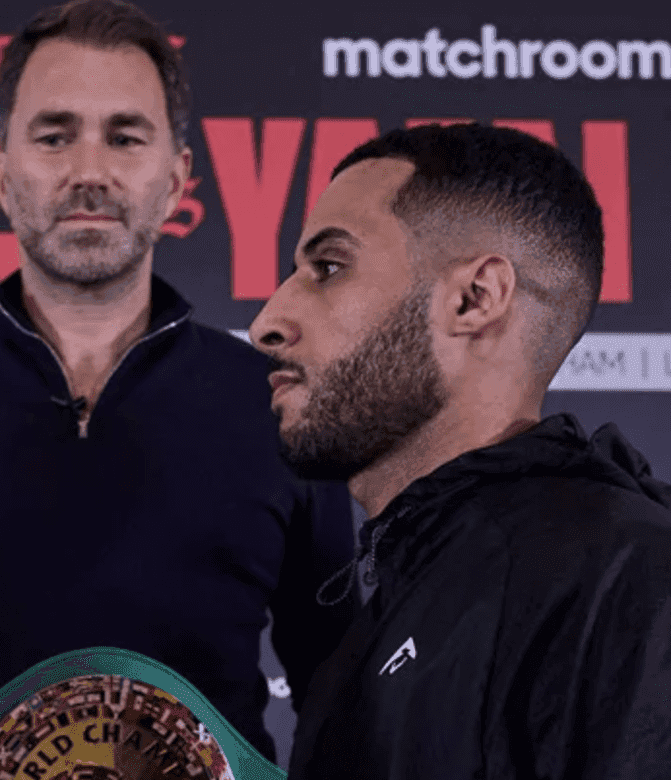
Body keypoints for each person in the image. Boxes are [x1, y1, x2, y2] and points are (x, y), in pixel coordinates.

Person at [0, 0, 356, 763]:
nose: (89, 172)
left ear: (177, 178)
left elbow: (339, 700)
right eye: (55, 136)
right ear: (0, 174)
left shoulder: (280, 405)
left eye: (124, 137)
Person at [248, 122, 671, 778]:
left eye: (327, 268)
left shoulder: (628, 582)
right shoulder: (370, 634)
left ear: (473, 299)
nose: (267, 320)